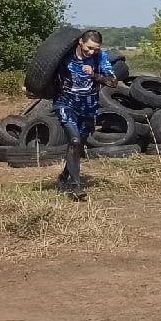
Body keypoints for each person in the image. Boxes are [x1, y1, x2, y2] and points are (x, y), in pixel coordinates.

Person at [51, 30, 117, 199]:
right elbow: (44, 72)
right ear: (80, 42)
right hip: (65, 103)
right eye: (89, 48)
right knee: (74, 140)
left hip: (89, 106)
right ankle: (76, 187)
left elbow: (113, 82)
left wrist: (94, 74)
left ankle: (64, 177)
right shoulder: (64, 54)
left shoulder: (100, 57)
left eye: (95, 48)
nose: (91, 52)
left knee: (79, 144)